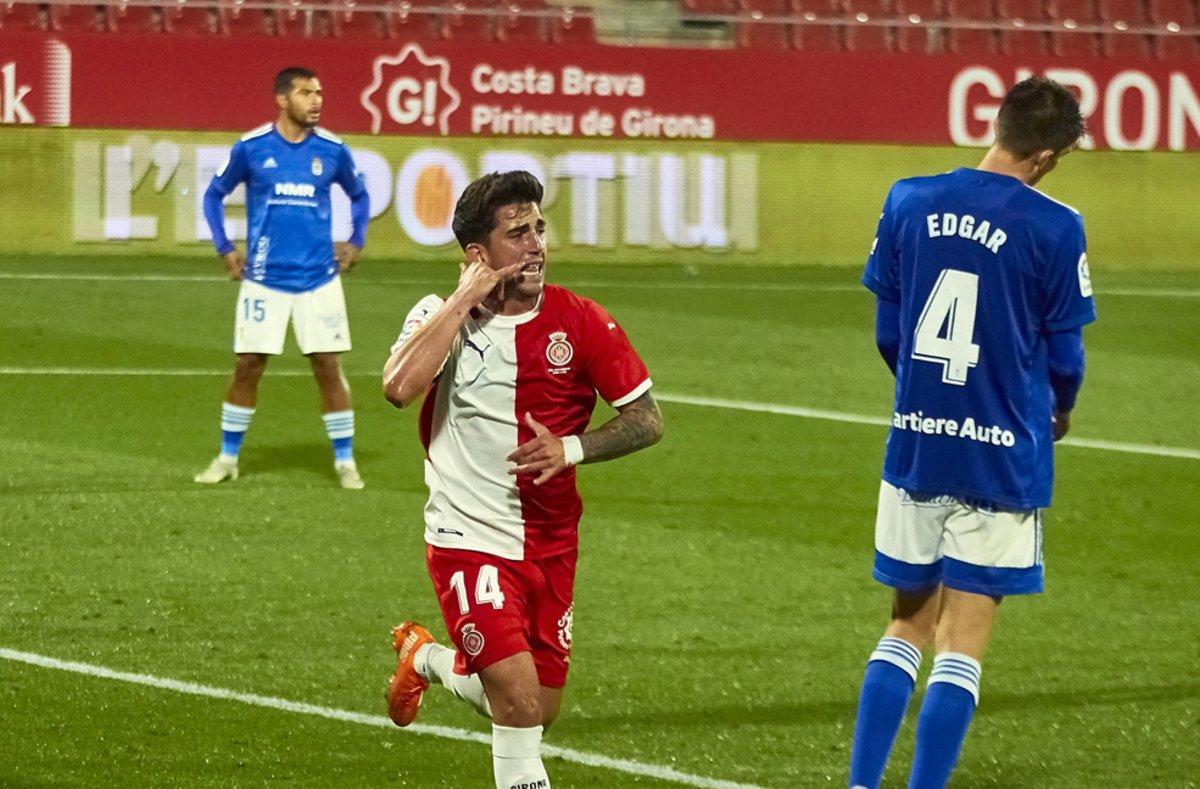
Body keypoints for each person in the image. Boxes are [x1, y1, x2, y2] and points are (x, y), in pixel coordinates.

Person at [848, 76, 1096, 789]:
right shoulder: (1056, 224)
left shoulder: (908, 198)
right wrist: (1060, 407)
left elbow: (891, 331)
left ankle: (862, 784)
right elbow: (1066, 357)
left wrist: (926, 398)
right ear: (1047, 155)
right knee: (964, 641)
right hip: (1003, 454)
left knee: (905, 625)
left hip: (919, 443)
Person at [381, 171, 663, 789]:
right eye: (517, 234)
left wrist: (573, 448)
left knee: (541, 706)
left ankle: (423, 657)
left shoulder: (582, 322)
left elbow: (647, 420)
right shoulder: (438, 315)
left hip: (550, 540)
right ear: (478, 254)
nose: (536, 244)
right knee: (517, 703)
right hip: (466, 537)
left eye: (538, 229)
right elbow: (399, 389)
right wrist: (462, 300)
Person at [194, 66, 370, 490]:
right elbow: (213, 195)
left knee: (328, 367)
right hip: (264, 278)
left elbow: (360, 195)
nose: (317, 100)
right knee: (247, 367)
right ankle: (227, 458)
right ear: (281, 99)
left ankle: (345, 462)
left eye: (320, 92)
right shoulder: (251, 148)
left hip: (319, 279)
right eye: (306, 92)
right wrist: (224, 247)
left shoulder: (332, 150)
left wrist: (356, 240)